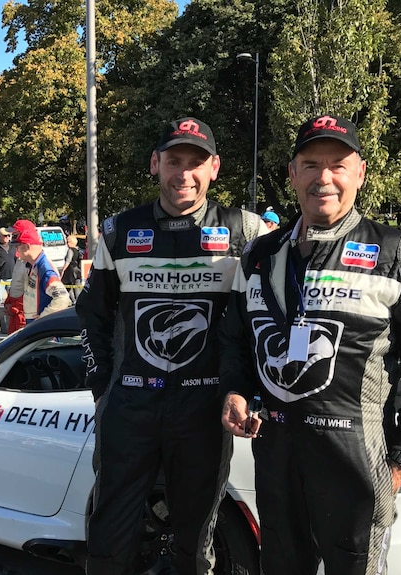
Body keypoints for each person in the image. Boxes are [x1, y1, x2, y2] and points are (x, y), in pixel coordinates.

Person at [218, 114, 401, 575]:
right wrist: (235, 390)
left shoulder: (399, 253)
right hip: (276, 461)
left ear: (361, 172)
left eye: (338, 164)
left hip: (357, 463)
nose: (324, 178)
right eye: (311, 164)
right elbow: (234, 340)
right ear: (292, 173)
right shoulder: (259, 256)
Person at [76, 117, 268, 575]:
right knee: (109, 533)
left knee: (196, 537)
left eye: (196, 162)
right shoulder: (120, 231)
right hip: (130, 404)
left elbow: (261, 322)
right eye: (173, 161)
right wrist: (102, 386)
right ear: (155, 164)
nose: (184, 173)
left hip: (204, 409)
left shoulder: (245, 231)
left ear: (215, 167)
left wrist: (244, 391)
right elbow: (91, 317)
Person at [12, 219, 71, 321]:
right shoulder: (32, 265)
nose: (16, 253)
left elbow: (63, 298)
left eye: (17, 247)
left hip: (43, 333)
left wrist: (42, 320)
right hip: (36, 327)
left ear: (27, 247)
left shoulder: (45, 269)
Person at [60, 233, 83, 303]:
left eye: (67, 241)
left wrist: (63, 270)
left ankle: (74, 301)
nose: (67, 243)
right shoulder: (78, 250)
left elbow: (68, 261)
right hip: (78, 270)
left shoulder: (70, 250)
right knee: (77, 287)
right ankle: (79, 301)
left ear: (70, 242)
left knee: (68, 286)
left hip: (71, 271)